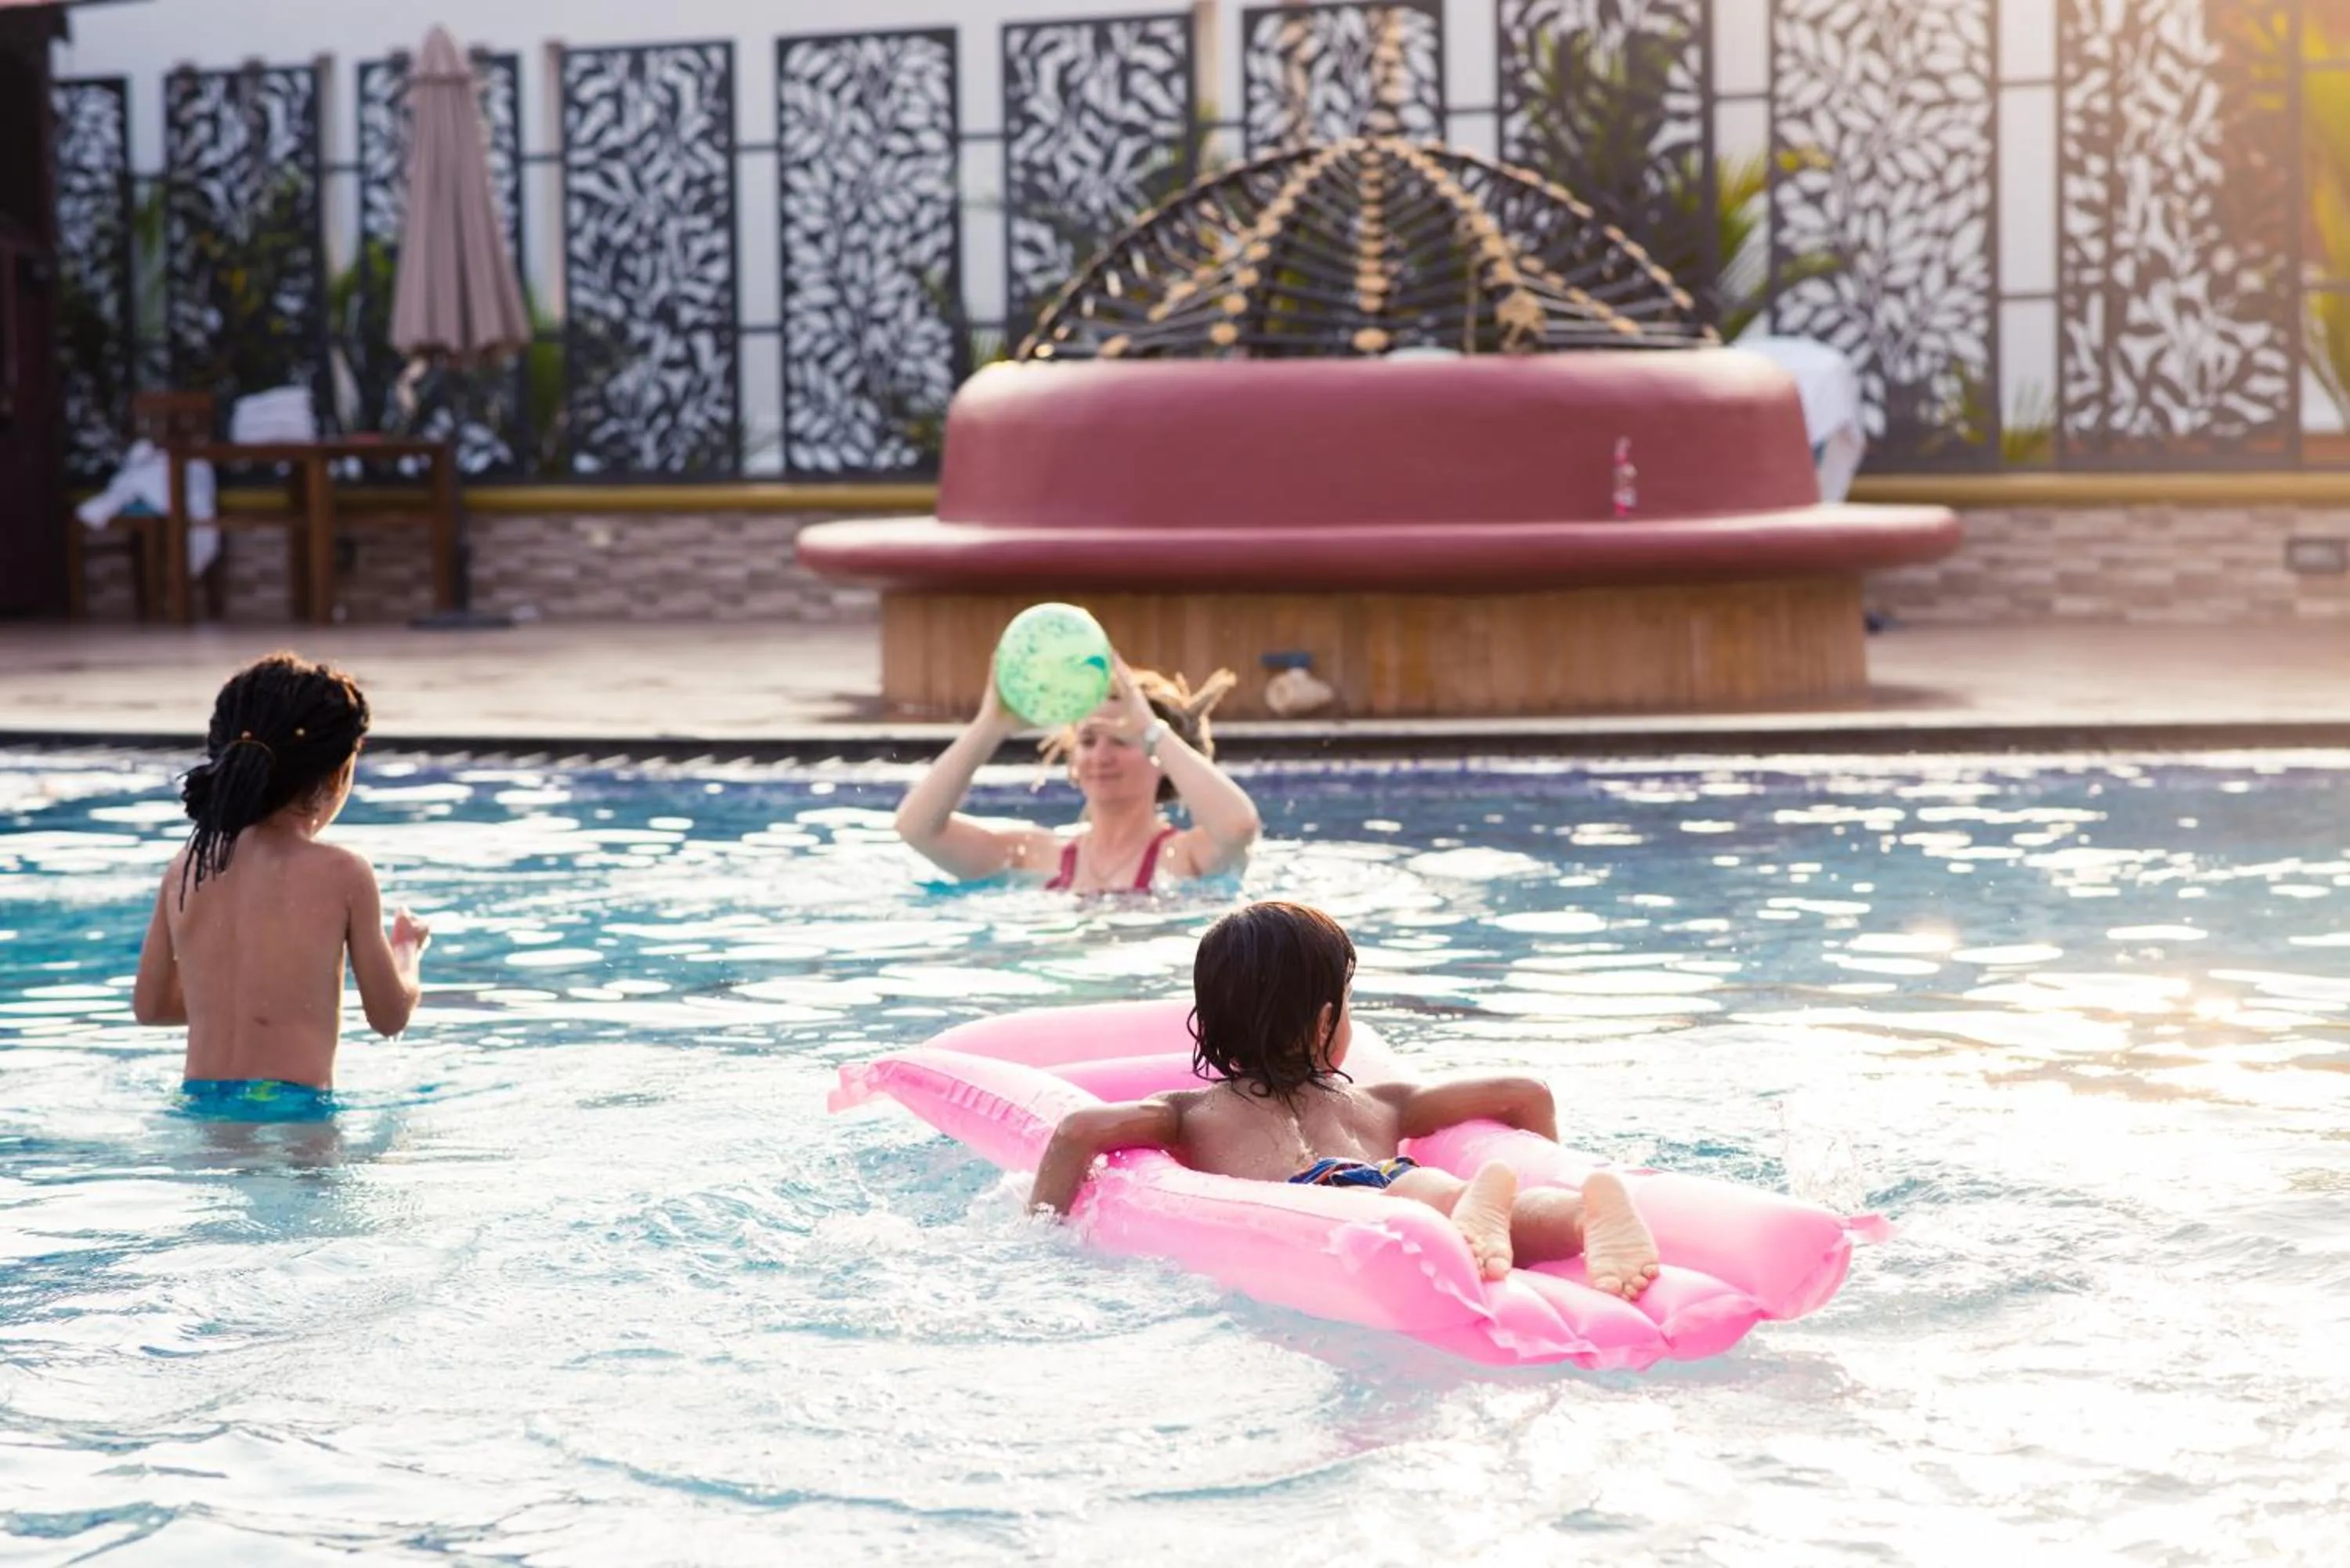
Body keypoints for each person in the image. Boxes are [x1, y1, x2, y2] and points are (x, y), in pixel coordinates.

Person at [1028, 901, 1661, 1295]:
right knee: (1431, 1196)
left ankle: (1485, 1215)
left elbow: (1078, 1130)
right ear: (1328, 1020)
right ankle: (1582, 1215)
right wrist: (1553, 1157)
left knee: (1413, 1207)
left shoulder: (1186, 1115)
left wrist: (1043, 1229)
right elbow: (1525, 1092)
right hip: (1396, 1184)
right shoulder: (1385, 1104)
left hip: (1327, 1214)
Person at [132, 652, 429, 1115]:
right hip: (296, 1115)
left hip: (200, 1112)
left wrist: (235, 998)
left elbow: (151, 1009)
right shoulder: (344, 872)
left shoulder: (187, 864)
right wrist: (407, 950)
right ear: (337, 774)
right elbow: (389, 1016)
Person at [895, 653, 1261, 894]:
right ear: (1072, 763)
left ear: (1161, 757)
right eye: (1087, 740)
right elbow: (917, 828)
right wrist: (990, 725)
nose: (1101, 755)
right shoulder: (1035, 855)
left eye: (1120, 740)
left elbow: (1239, 826)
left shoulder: (1186, 856)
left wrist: (1150, 730)